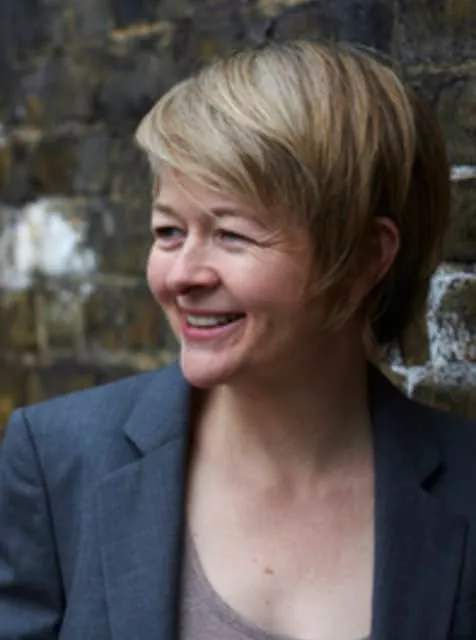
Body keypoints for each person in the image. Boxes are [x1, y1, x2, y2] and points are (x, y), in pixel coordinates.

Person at [0, 39, 475, 640]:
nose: (182, 276)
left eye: (231, 234)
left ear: (364, 258)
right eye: (168, 231)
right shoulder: (60, 462)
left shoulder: (465, 488)